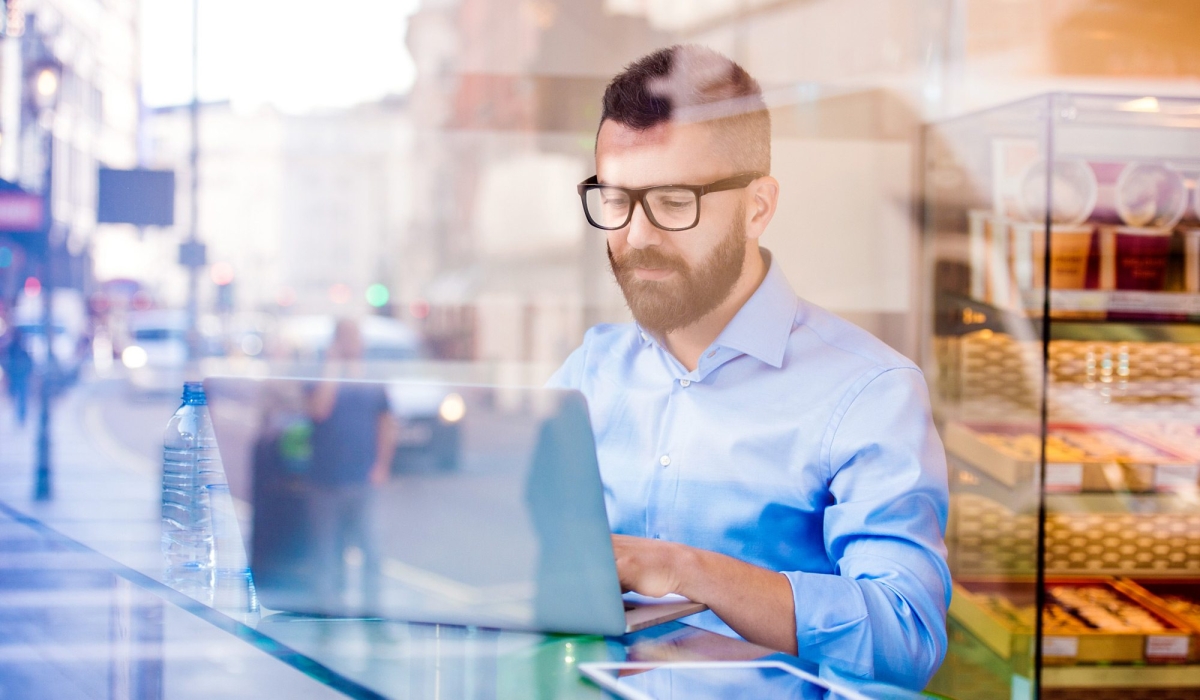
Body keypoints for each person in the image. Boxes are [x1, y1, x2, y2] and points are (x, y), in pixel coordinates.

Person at [549, 45, 950, 690]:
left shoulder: (870, 392)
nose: (639, 235)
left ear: (758, 207)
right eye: (617, 200)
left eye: (675, 202)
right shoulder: (589, 373)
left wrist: (691, 572)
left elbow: (906, 636)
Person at [304, 318, 397, 611]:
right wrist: (332, 367)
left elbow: (385, 422)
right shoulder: (320, 375)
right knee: (328, 553)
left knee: (372, 551)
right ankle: (328, 613)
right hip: (325, 479)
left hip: (363, 478)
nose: (353, 344)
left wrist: (381, 464)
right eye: (346, 338)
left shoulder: (370, 377)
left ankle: (373, 613)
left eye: (355, 337)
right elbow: (319, 410)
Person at [4, 328, 33, 425]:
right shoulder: (13, 347)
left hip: (20, 376)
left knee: (21, 397)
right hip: (16, 376)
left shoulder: (20, 347)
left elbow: (28, 361)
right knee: (17, 396)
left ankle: (21, 416)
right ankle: (19, 416)